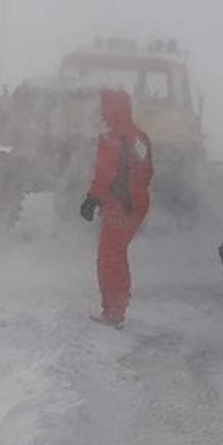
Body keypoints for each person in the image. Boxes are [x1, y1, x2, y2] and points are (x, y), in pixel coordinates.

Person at [80, 89, 153, 329]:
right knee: (117, 256)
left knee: (109, 259)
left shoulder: (113, 136)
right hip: (135, 204)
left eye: (103, 105)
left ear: (112, 108)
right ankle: (117, 309)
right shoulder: (139, 136)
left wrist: (93, 198)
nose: (100, 110)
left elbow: (106, 173)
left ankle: (113, 313)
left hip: (120, 205)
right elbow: (146, 171)